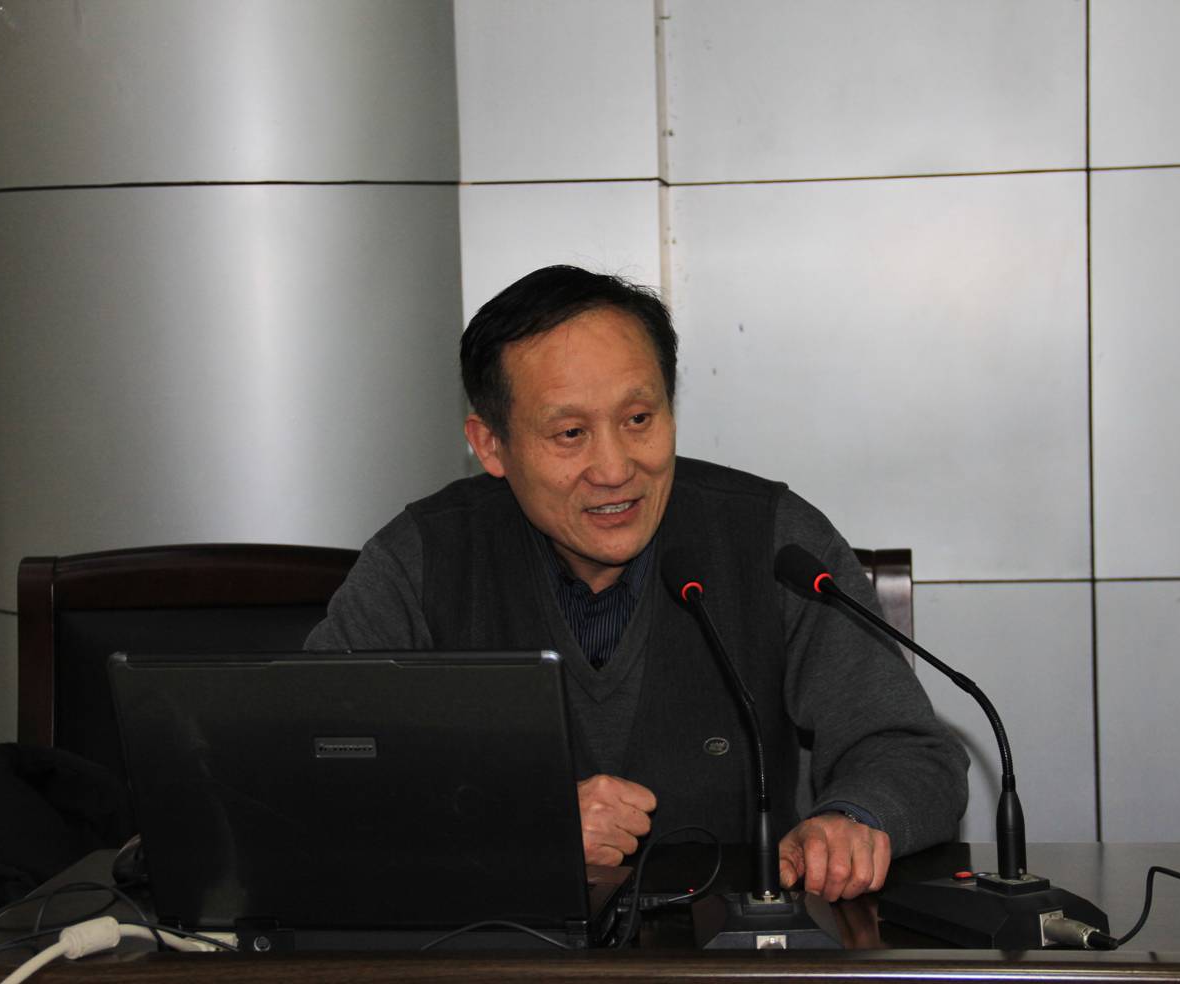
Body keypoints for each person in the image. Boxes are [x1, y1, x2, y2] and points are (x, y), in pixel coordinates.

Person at [306, 265, 967, 901]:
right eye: (571, 433)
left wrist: (855, 820)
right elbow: (307, 773)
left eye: (639, 420)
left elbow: (909, 751)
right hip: (497, 951)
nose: (615, 468)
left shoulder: (771, 540)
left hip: (730, 951)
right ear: (491, 445)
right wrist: (519, 823)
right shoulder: (423, 560)